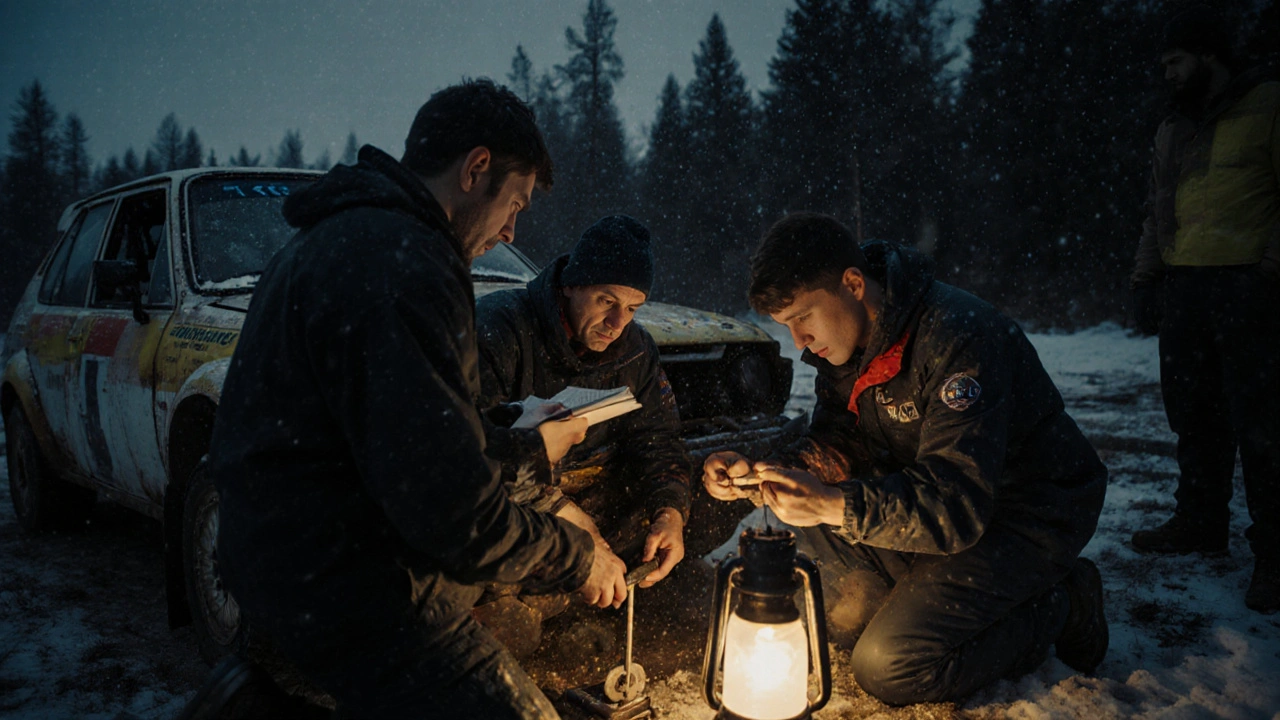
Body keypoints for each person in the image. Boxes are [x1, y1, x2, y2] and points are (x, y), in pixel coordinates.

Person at [202, 79, 627, 719]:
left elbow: (408, 442)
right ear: (475, 169)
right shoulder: (408, 262)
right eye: (515, 203)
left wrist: (522, 447)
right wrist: (577, 555)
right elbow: (456, 517)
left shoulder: (341, 238)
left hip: (276, 557)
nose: (513, 230)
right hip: (349, 578)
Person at [702, 213, 1110, 705]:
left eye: (802, 318)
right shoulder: (847, 344)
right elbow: (839, 442)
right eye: (786, 327)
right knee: (817, 563)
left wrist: (835, 505)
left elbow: (956, 504)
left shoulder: (957, 337)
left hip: (1022, 514)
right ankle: (921, 596)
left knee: (890, 664)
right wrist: (766, 472)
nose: (799, 341)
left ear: (853, 284)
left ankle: (1065, 603)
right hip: (936, 505)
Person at [472, 215, 692, 653]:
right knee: (503, 615)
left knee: (698, 499)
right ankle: (520, 602)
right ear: (571, 284)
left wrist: (670, 513)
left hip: (586, 492)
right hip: (506, 509)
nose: (616, 323)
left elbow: (659, 439)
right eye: (606, 300)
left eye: (632, 308)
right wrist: (580, 536)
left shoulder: (635, 349)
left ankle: (564, 592)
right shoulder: (497, 329)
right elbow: (472, 464)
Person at [1128, 5, 1280, 615]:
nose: (1167, 73)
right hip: (1186, 289)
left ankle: (1274, 552)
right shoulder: (1173, 126)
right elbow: (1156, 209)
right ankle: (1200, 521)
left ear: (1210, 56)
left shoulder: (1268, 104)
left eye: (1176, 61)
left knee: (1264, 426)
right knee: (1194, 414)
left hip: (1254, 290)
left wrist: (1268, 273)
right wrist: (1146, 278)